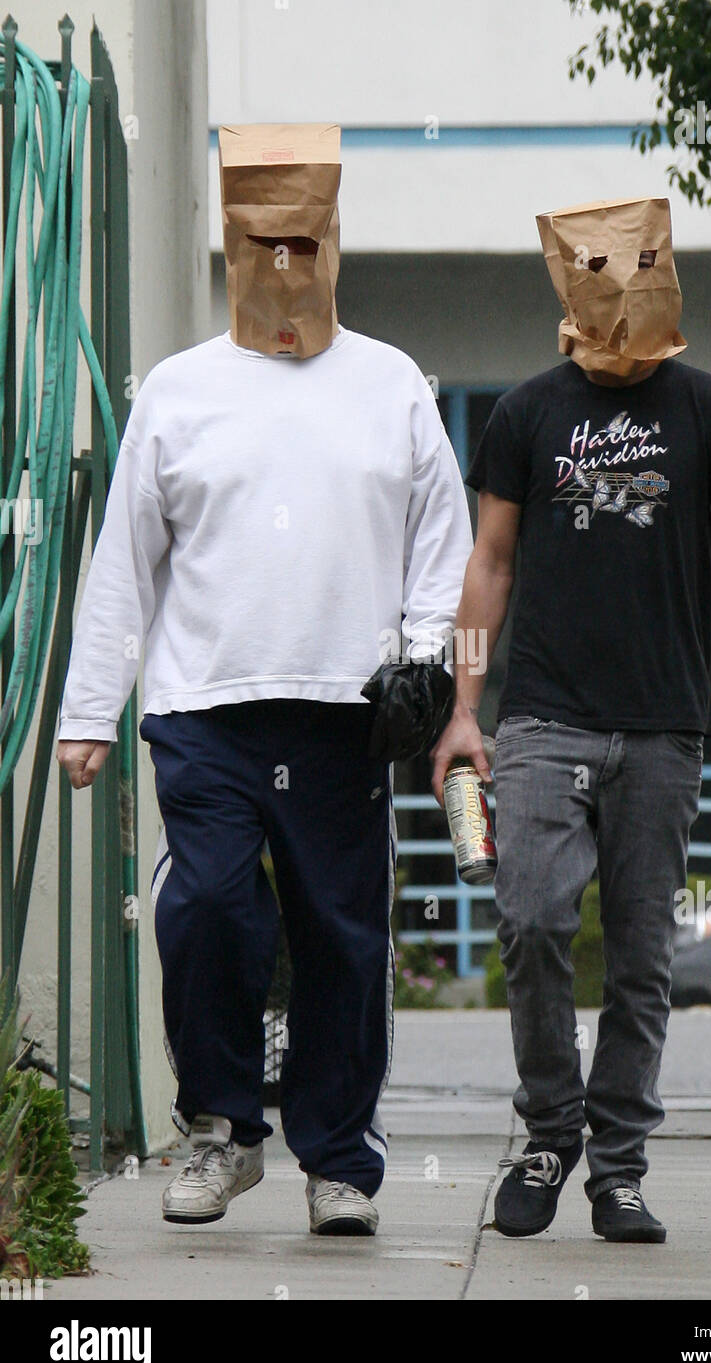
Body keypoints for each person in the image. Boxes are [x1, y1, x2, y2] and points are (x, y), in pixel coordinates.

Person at [56, 123, 473, 1237]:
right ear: (236, 246)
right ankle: (218, 1129)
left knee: (341, 933)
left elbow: (444, 538)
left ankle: (337, 1157)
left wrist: (424, 663)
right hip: (203, 708)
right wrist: (90, 708)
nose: (285, 261)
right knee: (204, 911)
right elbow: (124, 560)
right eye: (266, 240)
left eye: (305, 239)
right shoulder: (183, 391)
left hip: (345, 715)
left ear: (333, 243)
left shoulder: (390, 383)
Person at [432, 195, 711, 1244]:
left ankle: (616, 1169)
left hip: (663, 726)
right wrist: (461, 706)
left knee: (644, 955)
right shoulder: (523, 414)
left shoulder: (705, 407)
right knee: (530, 919)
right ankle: (546, 1130)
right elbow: (489, 563)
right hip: (543, 720)